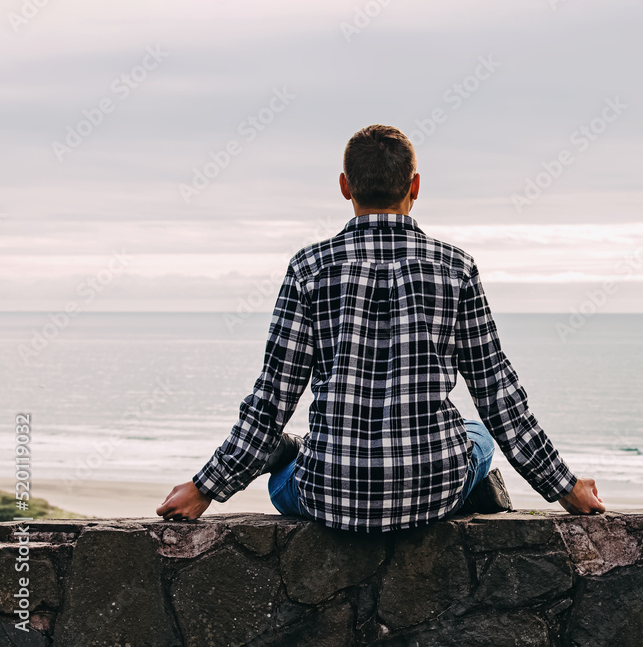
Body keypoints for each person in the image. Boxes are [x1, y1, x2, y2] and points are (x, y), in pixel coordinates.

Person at [157, 125, 605, 531]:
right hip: (431, 495)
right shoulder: (456, 268)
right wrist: (564, 487)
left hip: (328, 497)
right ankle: (469, 488)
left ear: (344, 187)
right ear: (414, 187)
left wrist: (205, 488)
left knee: (282, 479)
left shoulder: (309, 268)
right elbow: (498, 393)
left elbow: (273, 395)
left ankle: (290, 450)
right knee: (480, 433)